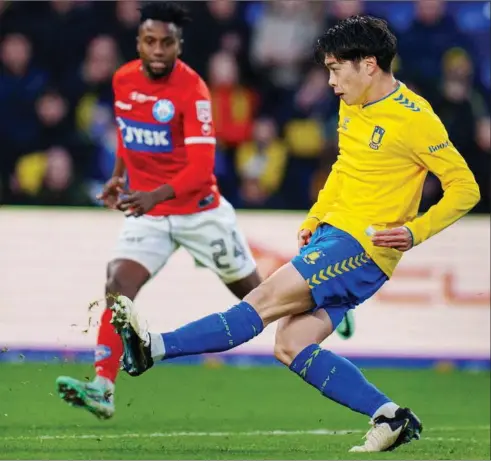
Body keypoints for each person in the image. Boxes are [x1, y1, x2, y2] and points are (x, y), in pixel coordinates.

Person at [115, 15, 481, 452]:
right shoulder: (353, 105)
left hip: (362, 246)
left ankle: (152, 348)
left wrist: (415, 231)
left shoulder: (416, 119)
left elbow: (466, 188)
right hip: (334, 236)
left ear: (368, 65)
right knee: (290, 345)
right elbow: (345, 169)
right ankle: (391, 416)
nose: (330, 81)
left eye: (335, 69)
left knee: (262, 301)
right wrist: (316, 216)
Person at [55, 1, 262, 420]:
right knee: (117, 283)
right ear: (138, 42)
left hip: (199, 212)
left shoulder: (193, 90)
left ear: (178, 45)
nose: (158, 49)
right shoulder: (122, 80)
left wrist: (154, 195)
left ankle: (318, 301)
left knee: (260, 298)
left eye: (167, 42)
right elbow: (127, 136)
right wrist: (118, 176)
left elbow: (202, 168)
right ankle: (103, 387)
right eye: (150, 41)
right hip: (150, 213)